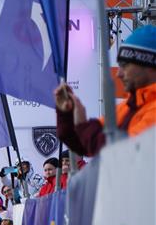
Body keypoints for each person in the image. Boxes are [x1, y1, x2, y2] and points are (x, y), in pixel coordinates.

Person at [55, 24, 156, 157]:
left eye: (125, 65)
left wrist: (83, 125)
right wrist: (66, 115)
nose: (119, 74)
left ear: (150, 66)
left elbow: (123, 153)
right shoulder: (128, 106)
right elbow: (85, 144)